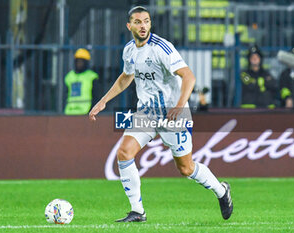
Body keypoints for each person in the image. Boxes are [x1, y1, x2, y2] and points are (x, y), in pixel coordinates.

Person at [89, 6, 233, 222]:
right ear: (130, 26)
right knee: (124, 153)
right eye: (138, 22)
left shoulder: (161, 48)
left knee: (186, 168)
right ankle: (137, 211)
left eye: (146, 21)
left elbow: (189, 76)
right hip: (146, 113)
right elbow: (125, 77)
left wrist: (180, 105)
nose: (143, 25)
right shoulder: (129, 50)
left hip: (172, 114)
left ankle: (221, 191)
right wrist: (103, 101)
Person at [64, 48, 99, 115]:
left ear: (86, 63)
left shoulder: (92, 76)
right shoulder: (69, 76)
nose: (79, 63)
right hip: (69, 112)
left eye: (81, 61)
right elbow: (65, 95)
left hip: (86, 111)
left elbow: (96, 96)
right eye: (77, 61)